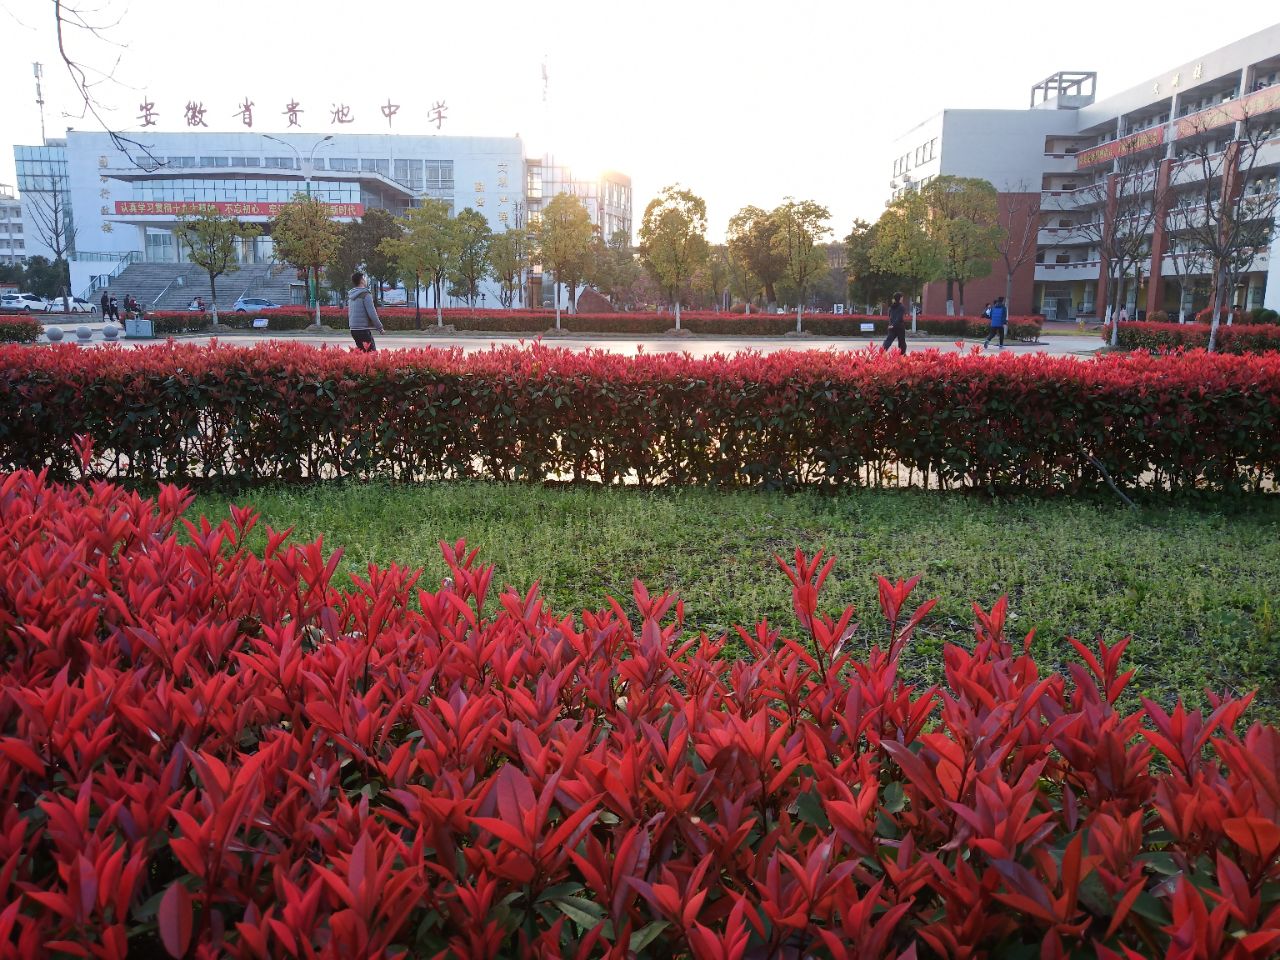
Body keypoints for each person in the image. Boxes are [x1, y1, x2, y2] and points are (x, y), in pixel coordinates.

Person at [347, 270, 384, 352]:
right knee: (372, 354)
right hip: (362, 330)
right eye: (364, 278)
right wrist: (380, 328)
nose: (365, 280)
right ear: (361, 280)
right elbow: (372, 313)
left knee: (361, 354)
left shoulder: (351, 295)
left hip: (353, 329)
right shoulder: (365, 294)